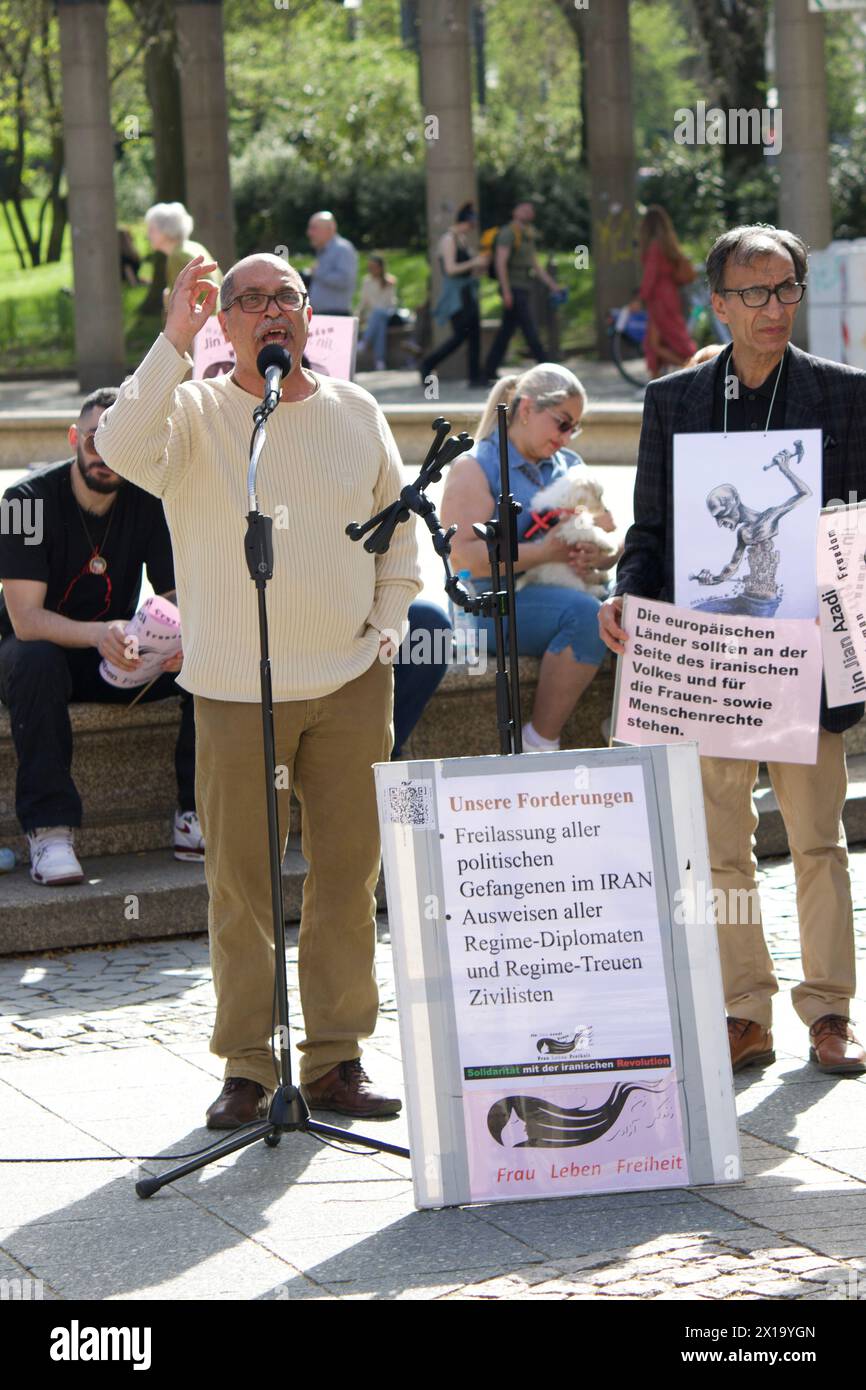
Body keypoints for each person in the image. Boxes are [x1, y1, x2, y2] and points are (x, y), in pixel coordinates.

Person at [95, 252, 421, 1127]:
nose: (270, 312)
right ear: (224, 322)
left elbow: (398, 534)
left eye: (286, 298)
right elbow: (118, 447)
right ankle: (246, 1064)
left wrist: (388, 623)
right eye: (248, 302)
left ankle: (335, 1060)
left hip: (352, 681)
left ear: (309, 315)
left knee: (348, 877)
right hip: (237, 688)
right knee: (242, 884)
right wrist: (171, 335)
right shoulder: (193, 412)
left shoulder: (357, 410)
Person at [599, 223, 866, 1077]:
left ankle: (830, 1011)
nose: (775, 308)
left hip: (808, 652)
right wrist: (626, 596)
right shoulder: (673, 401)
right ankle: (743, 1012)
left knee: (819, 839)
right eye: (754, 293)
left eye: (786, 288)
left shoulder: (844, 393)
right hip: (707, 659)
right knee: (720, 849)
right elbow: (648, 532)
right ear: (716, 304)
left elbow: (857, 527)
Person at [0, 389, 199, 886]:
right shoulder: (23, 502)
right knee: (36, 659)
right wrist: (100, 633)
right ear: (74, 438)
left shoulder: (150, 499)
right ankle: (50, 831)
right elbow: (25, 619)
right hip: (35, 658)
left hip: (114, 655)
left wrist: (176, 640)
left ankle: (194, 814)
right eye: (94, 438)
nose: (103, 453)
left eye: (117, 442)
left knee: (208, 657)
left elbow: (177, 593)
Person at [441, 365, 617, 752]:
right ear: (525, 409)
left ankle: (624, 724)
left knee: (636, 601)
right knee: (585, 614)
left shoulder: (568, 463)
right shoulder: (476, 466)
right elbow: (465, 560)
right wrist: (544, 552)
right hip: (486, 605)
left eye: (575, 428)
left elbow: (610, 537)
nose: (567, 436)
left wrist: (597, 557)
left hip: (559, 589)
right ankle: (539, 741)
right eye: (562, 423)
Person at [483, 202, 562, 382]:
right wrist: (506, 291)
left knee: (506, 332)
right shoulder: (508, 233)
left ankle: (488, 370)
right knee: (529, 330)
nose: (527, 212)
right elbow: (500, 263)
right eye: (523, 209)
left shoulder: (527, 234)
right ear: (514, 211)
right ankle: (547, 368)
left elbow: (535, 264)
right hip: (514, 288)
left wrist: (552, 285)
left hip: (523, 287)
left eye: (530, 210)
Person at [420, 202, 488, 389]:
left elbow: (467, 268)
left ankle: (475, 377)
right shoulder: (448, 239)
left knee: (474, 336)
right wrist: (473, 262)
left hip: (468, 293)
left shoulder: (462, 239)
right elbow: (450, 269)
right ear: (465, 222)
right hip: (456, 296)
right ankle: (428, 364)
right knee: (460, 336)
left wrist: (478, 266)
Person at [636, 206, 696, 378]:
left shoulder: (653, 246)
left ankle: (694, 367)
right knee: (656, 343)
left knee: (667, 341)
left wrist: (640, 298)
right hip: (670, 295)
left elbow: (650, 276)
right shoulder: (667, 244)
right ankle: (655, 382)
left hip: (659, 299)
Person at [144, 202, 222, 302]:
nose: (147, 235)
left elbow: (181, 304)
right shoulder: (195, 246)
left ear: (165, 230)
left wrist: (167, 300)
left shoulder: (177, 257)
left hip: (204, 316)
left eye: (151, 229)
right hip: (216, 315)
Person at [306, 211, 358, 316]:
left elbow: (345, 280)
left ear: (329, 229)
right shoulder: (323, 251)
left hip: (336, 316)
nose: (309, 233)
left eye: (314, 228)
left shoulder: (343, 249)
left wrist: (317, 273)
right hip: (323, 315)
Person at [358, 254, 398, 371]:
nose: (372, 270)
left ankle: (365, 342)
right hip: (374, 317)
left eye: (374, 267)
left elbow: (391, 302)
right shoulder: (366, 281)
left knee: (378, 314)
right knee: (380, 327)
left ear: (380, 267)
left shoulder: (389, 281)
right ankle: (380, 361)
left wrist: (377, 310)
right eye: (370, 267)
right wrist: (358, 314)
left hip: (387, 313)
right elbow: (364, 301)